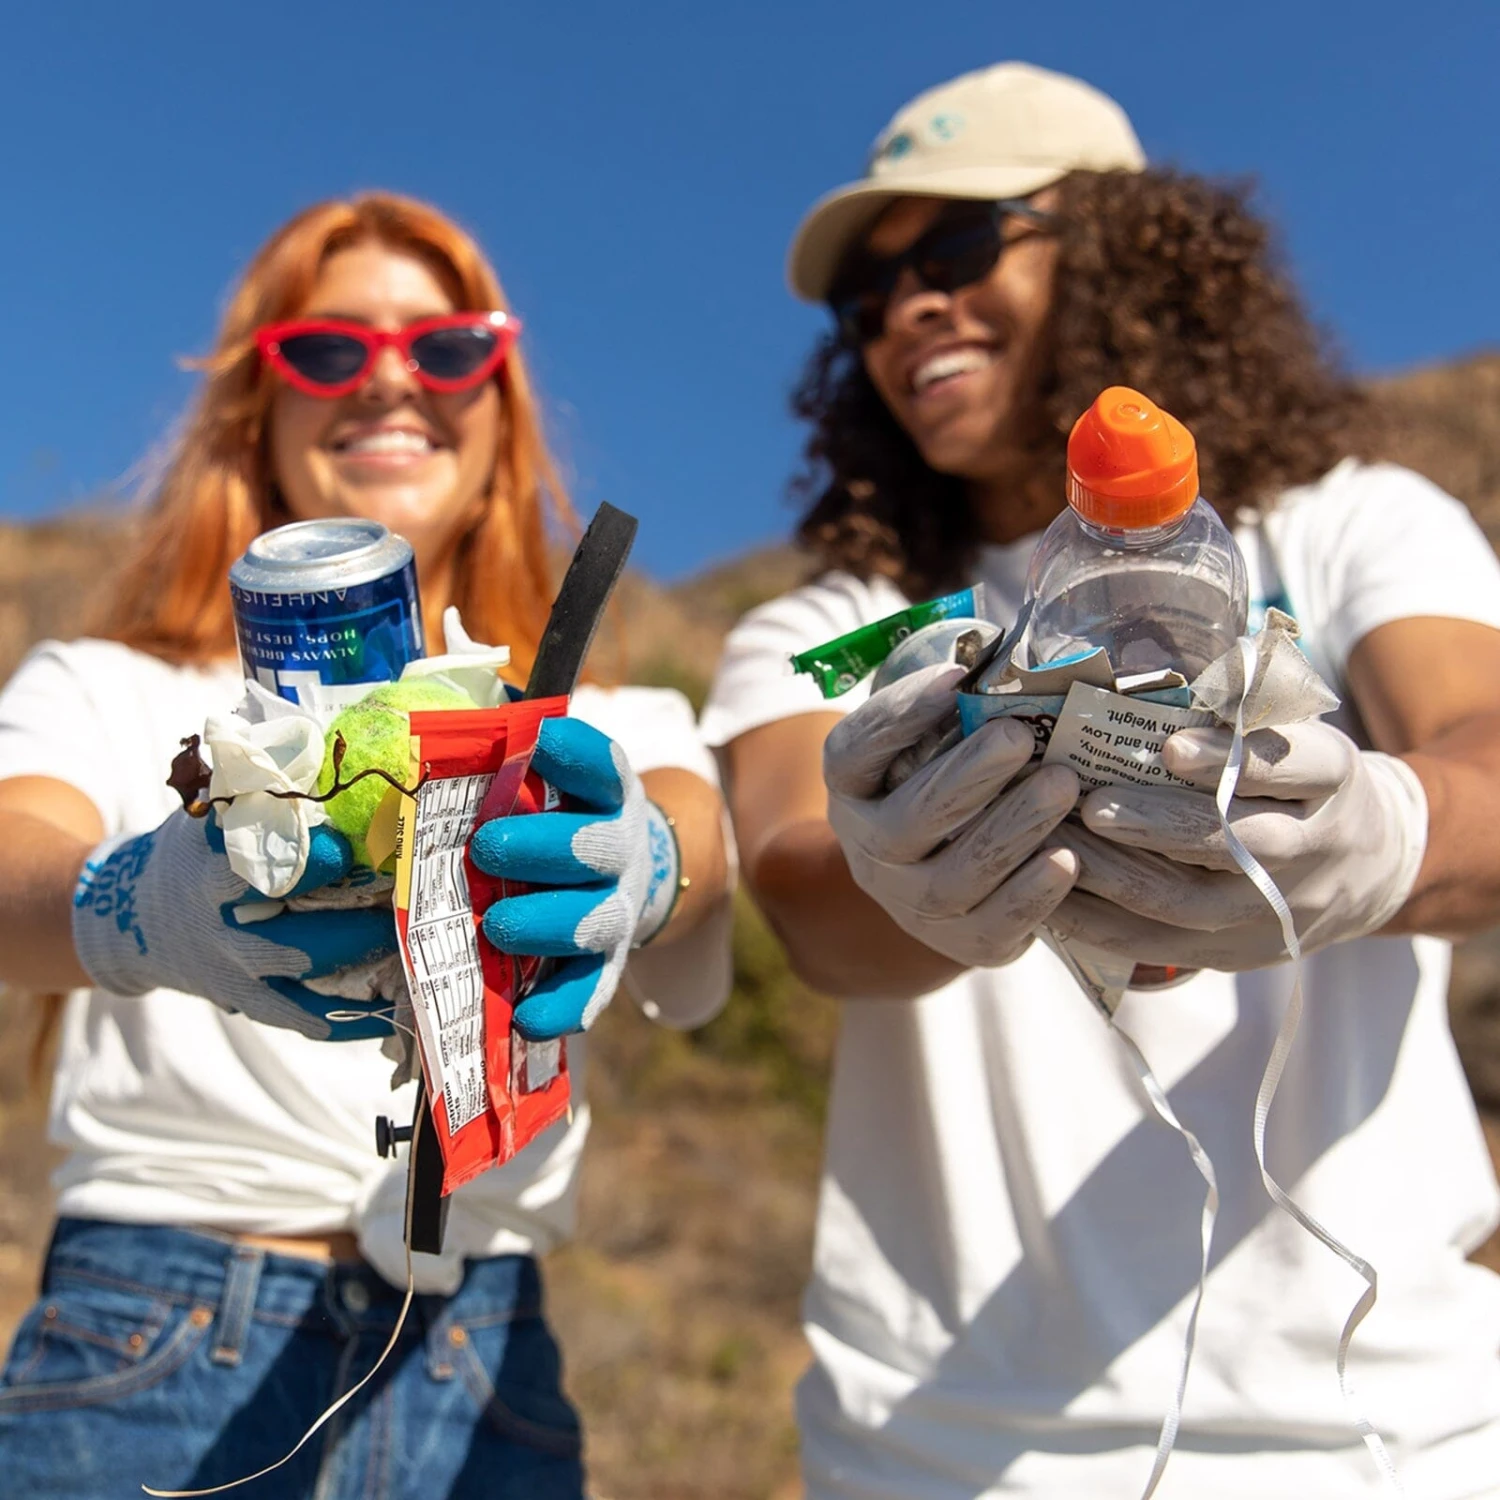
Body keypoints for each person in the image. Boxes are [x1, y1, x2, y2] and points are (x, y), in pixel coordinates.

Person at [701, 61, 1500, 1499]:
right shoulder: (832, 628)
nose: (910, 314)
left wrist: (1380, 839)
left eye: (954, 251)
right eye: (868, 302)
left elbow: (1488, 759)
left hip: (1376, 1438)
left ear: (1125, 243)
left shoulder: (1348, 526)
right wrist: (912, 870)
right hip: (937, 1453)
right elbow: (804, 898)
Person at [0, 192, 733, 1499]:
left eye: (448, 349)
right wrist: (135, 906)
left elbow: (697, 821)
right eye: (327, 350)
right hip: (148, 1338)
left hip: (487, 1365)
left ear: (500, 404)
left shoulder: (596, 710)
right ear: (256, 407)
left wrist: (651, 863)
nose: (391, 378)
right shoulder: (109, 683)